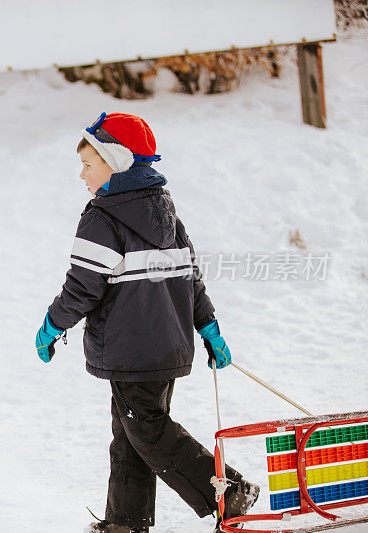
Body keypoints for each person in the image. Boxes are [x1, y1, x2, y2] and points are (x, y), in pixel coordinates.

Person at [34, 112, 259, 533]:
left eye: (88, 164)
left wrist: (52, 324)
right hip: (166, 348)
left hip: (129, 349)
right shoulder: (166, 214)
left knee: (148, 430)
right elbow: (190, 280)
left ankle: (229, 492)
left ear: (115, 162)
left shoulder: (102, 219)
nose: (81, 175)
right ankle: (125, 521)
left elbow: (82, 287)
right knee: (130, 434)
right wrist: (208, 327)